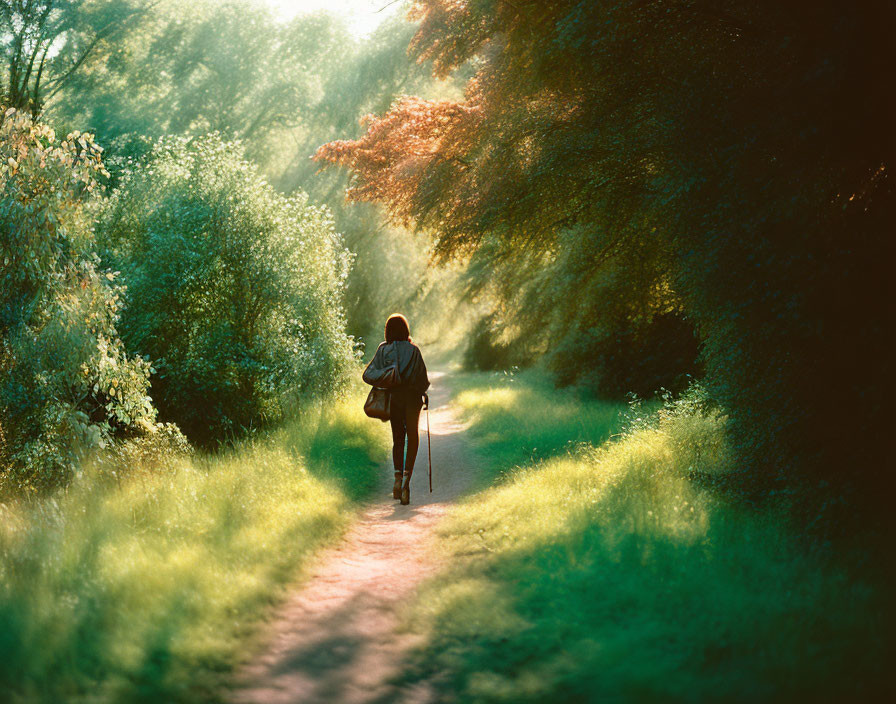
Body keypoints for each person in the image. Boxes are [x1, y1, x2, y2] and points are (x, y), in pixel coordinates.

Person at [363, 313, 430, 505]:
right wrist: (421, 391)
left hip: (394, 398)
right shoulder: (414, 350)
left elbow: (368, 374)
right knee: (413, 436)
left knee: (398, 438)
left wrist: (387, 376)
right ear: (406, 330)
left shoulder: (383, 350)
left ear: (388, 331)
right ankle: (407, 481)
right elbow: (422, 379)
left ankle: (397, 478)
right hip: (412, 399)